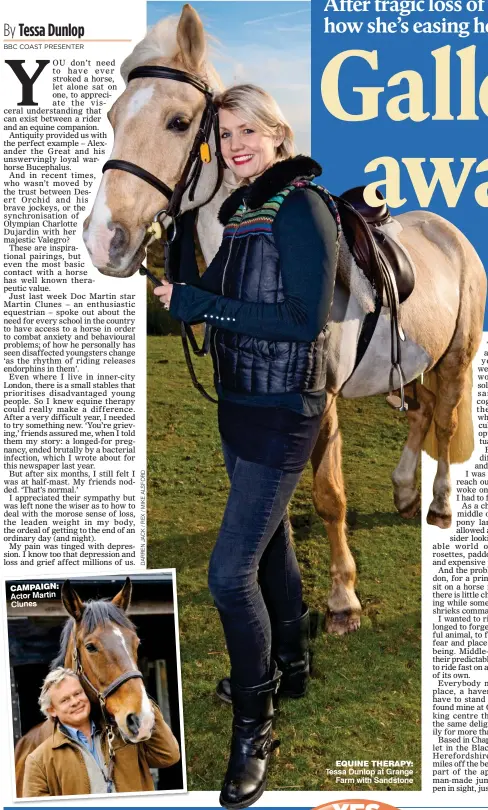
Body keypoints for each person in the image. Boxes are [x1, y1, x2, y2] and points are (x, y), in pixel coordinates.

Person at [154, 84, 339, 809]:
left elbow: (300, 321)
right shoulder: (239, 213)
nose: (234, 144)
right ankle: (289, 663)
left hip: (284, 409)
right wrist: (183, 272)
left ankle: (254, 726)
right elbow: (225, 298)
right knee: (271, 547)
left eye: (247, 131)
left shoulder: (301, 207)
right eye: (224, 133)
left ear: (277, 134)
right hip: (238, 403)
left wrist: (202, 304)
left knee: (229, 576)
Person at [22, 668, 180, 797]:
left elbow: (168, 756)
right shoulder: (38, 761)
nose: (75, 702)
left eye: (78, 693)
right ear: (52, 710)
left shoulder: (123, 733)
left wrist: (143, 705)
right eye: (65, 700)